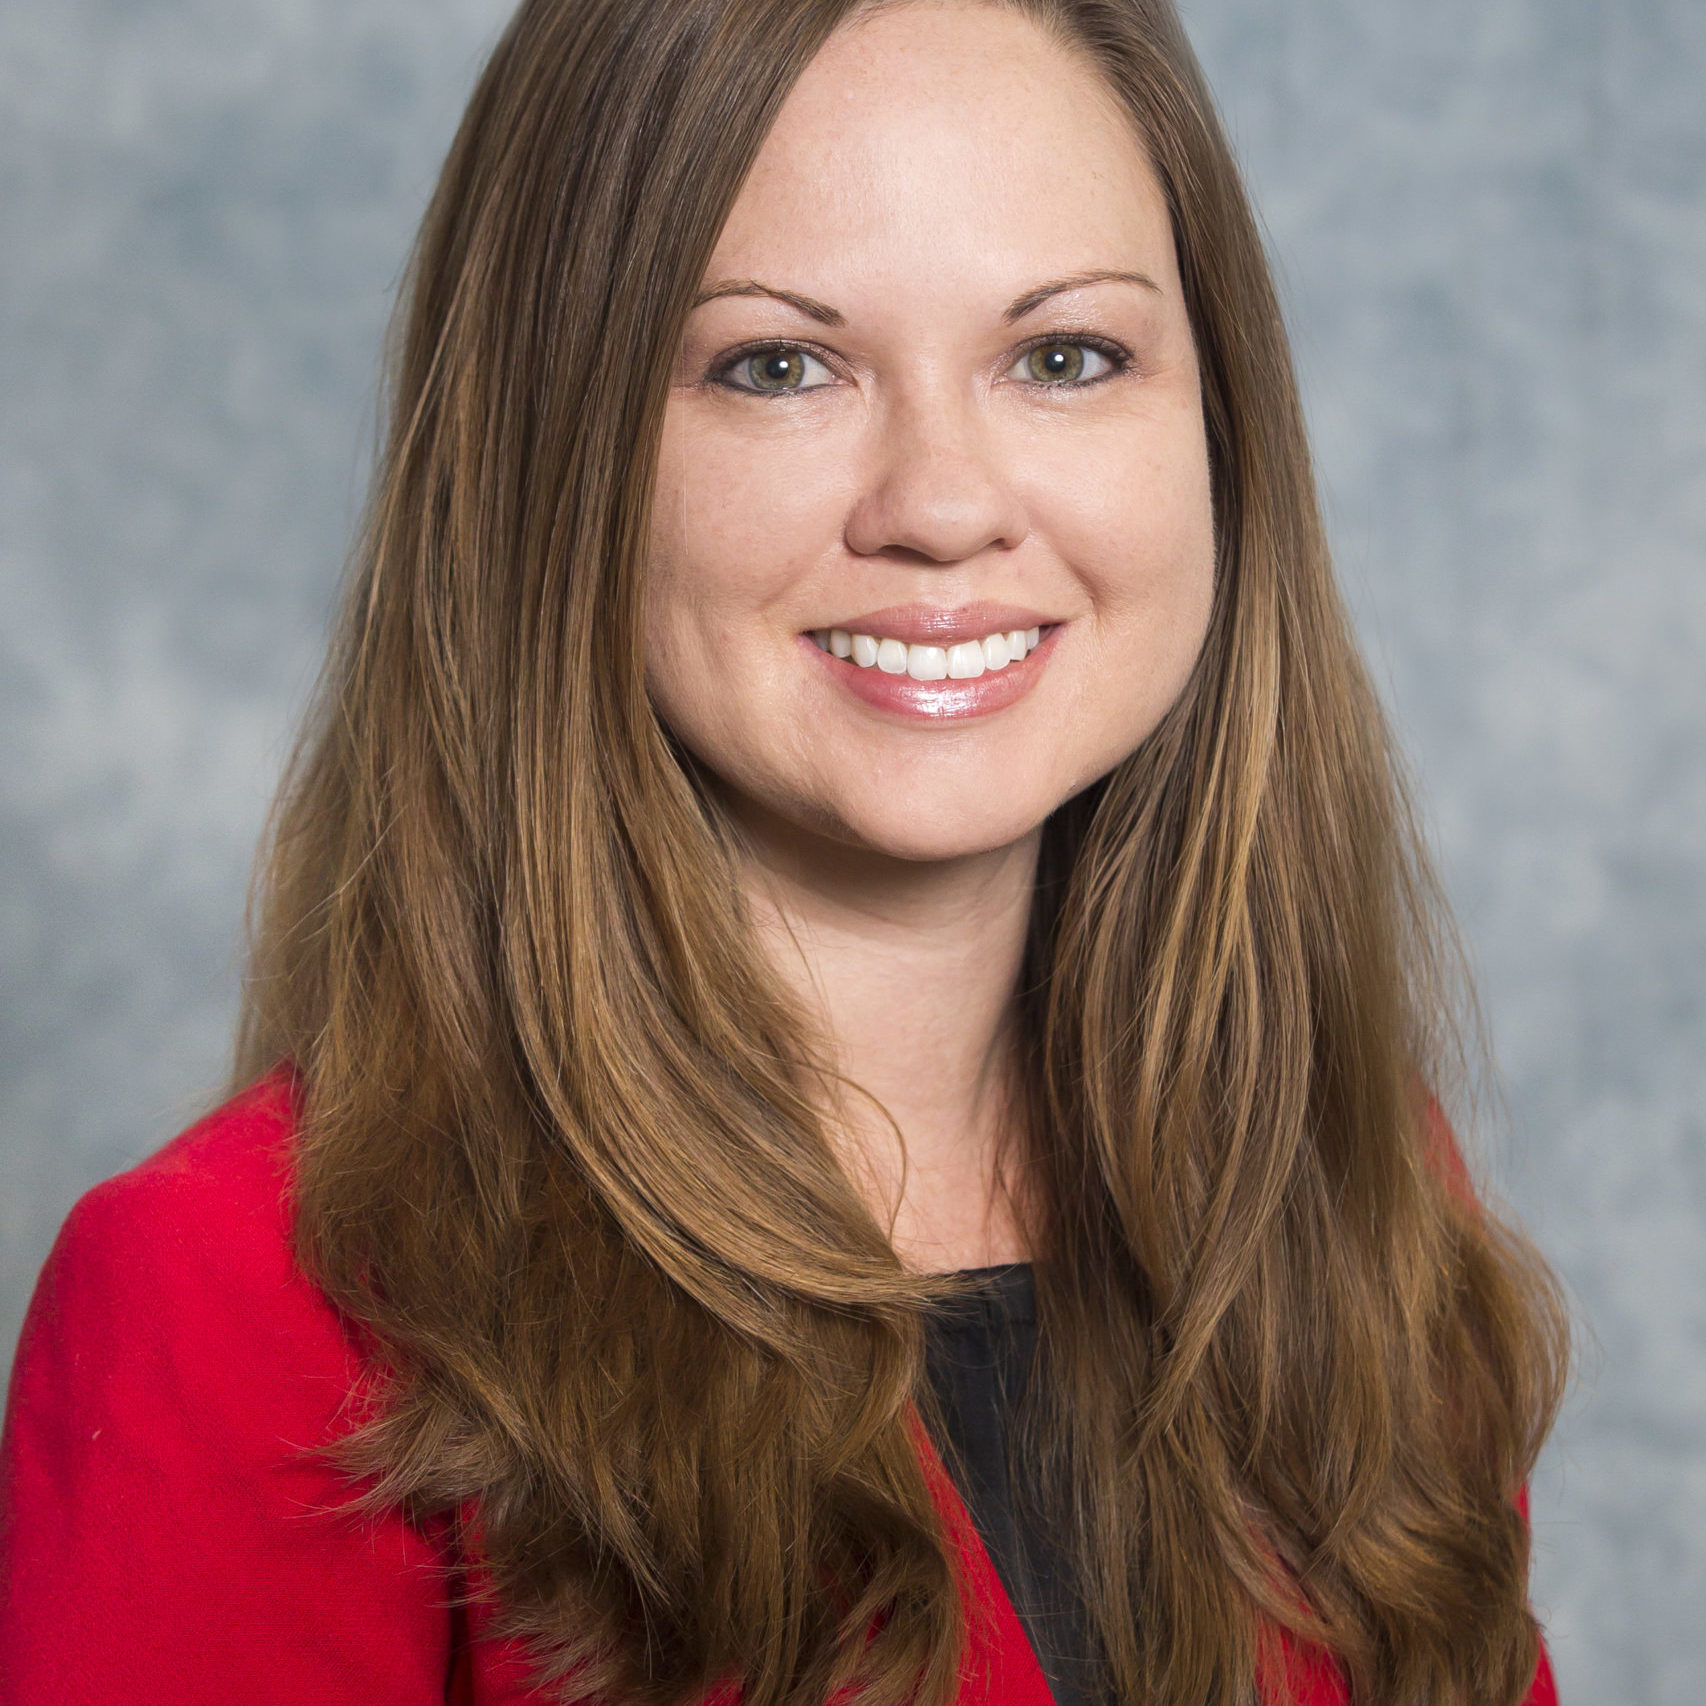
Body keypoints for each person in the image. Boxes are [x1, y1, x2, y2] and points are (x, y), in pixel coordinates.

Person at [0, 0, 1570, 1702]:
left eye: (1062, 356)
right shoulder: (238, 1304)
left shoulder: (1341, 1198)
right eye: (778, 365)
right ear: (556, 459)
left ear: (1218, 427)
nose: (942, 500)